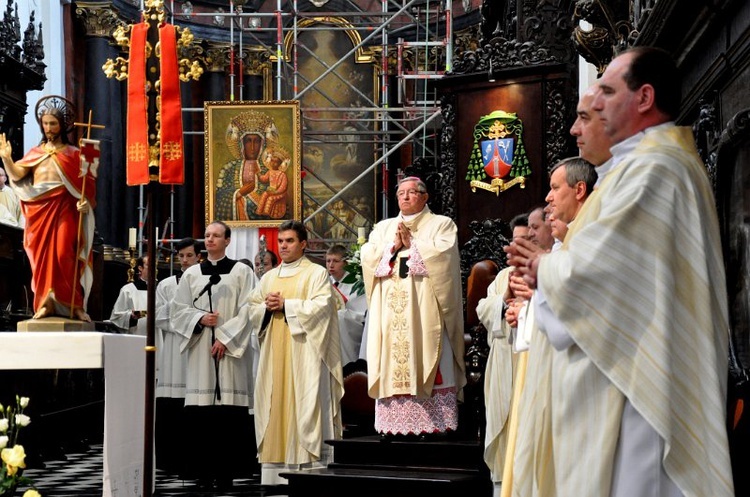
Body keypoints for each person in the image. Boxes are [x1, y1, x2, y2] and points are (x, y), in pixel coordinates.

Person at [506, 47, 734, 496]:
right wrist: (547, 269)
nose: (596, 103)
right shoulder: (635, 168)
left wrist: (544, 267)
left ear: (644, 97)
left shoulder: (656, 169)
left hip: (638, 391)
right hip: (620, 377)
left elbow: (601, 273)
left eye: (608, 91)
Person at [361, 176, 466, 438]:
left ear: (425, 196)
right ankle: (393, 426)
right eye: (401, 194)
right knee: (391, 358)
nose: (405, 197)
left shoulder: (441, 224)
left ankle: (435, 425)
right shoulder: (384, 228)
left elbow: (444, 259)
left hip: (425, 311)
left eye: (412, 193)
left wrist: (414, 246)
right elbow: (368, 257)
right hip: (391, 314)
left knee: (428, 352)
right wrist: (393, 247)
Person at [246, 220, 344, 486]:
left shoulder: (316, 274)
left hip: (306, 354)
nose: (284, 246)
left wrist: (286, 305)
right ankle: (274, 477)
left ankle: (309, 473)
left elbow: (323, 307)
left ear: (303, 244)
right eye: (281, 242)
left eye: (289, 241)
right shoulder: (268, 277)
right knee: (273, 403)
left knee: (305, 404)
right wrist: (266, 307)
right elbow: (252, 309)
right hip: (274, 354)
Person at [170, 221, 258, 490]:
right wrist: (199, 319)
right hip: (200, 352)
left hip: (230, 353)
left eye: (216, 236)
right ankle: (202, 473)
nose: (209, 240)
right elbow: (178, 310)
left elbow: (250, 308)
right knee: (202, 414)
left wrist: (225, 338)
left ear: (227, 241)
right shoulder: (192, 274)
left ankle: (227, 474)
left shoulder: (242, 271)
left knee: (228, 414)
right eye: (207, 235)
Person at [0, 95, 96, 321]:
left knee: (64, 255)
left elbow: (88, 189)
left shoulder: (74, 154)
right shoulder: (36, 153)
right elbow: (16, 176)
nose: (49, 127)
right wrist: (6, 159)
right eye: (45, 123)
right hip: (39, 213)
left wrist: (86, 204)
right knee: (41, 261)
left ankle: (74, 306)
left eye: (53, 123)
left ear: (62, 125)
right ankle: (44, 303)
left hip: (65, 209)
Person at [475, 213, 529, 496]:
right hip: (503, 356)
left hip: (529, 360)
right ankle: (501, 485)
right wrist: (503, 297)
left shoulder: (542, 270)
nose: (516, 248)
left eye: (524, 241)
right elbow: (482, 310)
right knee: (502, 424)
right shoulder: (503, 276)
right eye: (514, 242)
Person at [154, 237, 201, 473]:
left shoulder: (203, 281)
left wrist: (189, 318)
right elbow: (159, 317)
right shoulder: (166, 285)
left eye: (189, 256)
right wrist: (183, 315)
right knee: (171, 408)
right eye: (181, 256)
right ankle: (169, 461)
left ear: (198, 257)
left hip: (196, 346)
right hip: (173, 351)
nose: (184, 260)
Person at [215, 110, 281, 221]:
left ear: (262, 144)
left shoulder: (270, 169)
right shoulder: (229, 169)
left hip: (264, 225)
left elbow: (280, 199)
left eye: (256, 141)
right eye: (248, 141)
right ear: (241, 144)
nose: (252, 147)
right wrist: (239, 193)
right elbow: (219, 197)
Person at [109, 256, 149, 335]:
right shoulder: (128, 290)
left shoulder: (159, 290)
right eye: (149, 265)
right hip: (136, 335)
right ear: (140, 268)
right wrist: (131, 316)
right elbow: (116, 317)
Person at [251, 145, 290, 219]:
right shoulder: (270, 172)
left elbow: (283, 187)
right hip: (270, 191)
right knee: (265, 194)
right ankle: (259, 211)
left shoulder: (282, 174)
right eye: (272, 161)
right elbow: (264, 179)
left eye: (276, 162)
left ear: (280, 164)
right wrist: (258, 174)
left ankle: (266, 213)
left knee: (270, 199)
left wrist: (275, 192)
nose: (273, 164)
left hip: (280, 193)